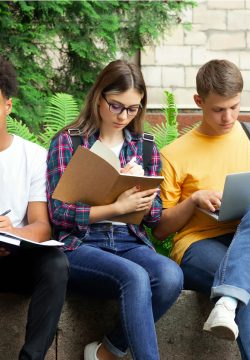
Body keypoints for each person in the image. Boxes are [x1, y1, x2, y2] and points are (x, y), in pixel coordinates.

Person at [46, 60, 183, 360]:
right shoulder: (69, 142)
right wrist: (114, 207)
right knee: (135, 277)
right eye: (116, 106)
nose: (124, 116)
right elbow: (58, 213)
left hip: (129, 241)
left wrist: (143, 198)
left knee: (170, 276)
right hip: (81, 244)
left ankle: (109, 349)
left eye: (133, 109)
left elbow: (155, 216)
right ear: (99, 97)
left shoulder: (145, 146)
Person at [153, 59, 250, 360]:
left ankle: (227, 300)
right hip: (199, 247)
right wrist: (194, 200)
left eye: (234, 107)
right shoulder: (174, 154)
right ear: (199, 101)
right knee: (245, 285)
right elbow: (160, 229)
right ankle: (230, 298)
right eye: (218, 109)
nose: (228, 117)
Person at [0, 58, 69, 360]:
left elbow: (42, 225)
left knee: (55, 263)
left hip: (16, 258)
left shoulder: (33, 156)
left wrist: (13, 233)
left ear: (8, 106)